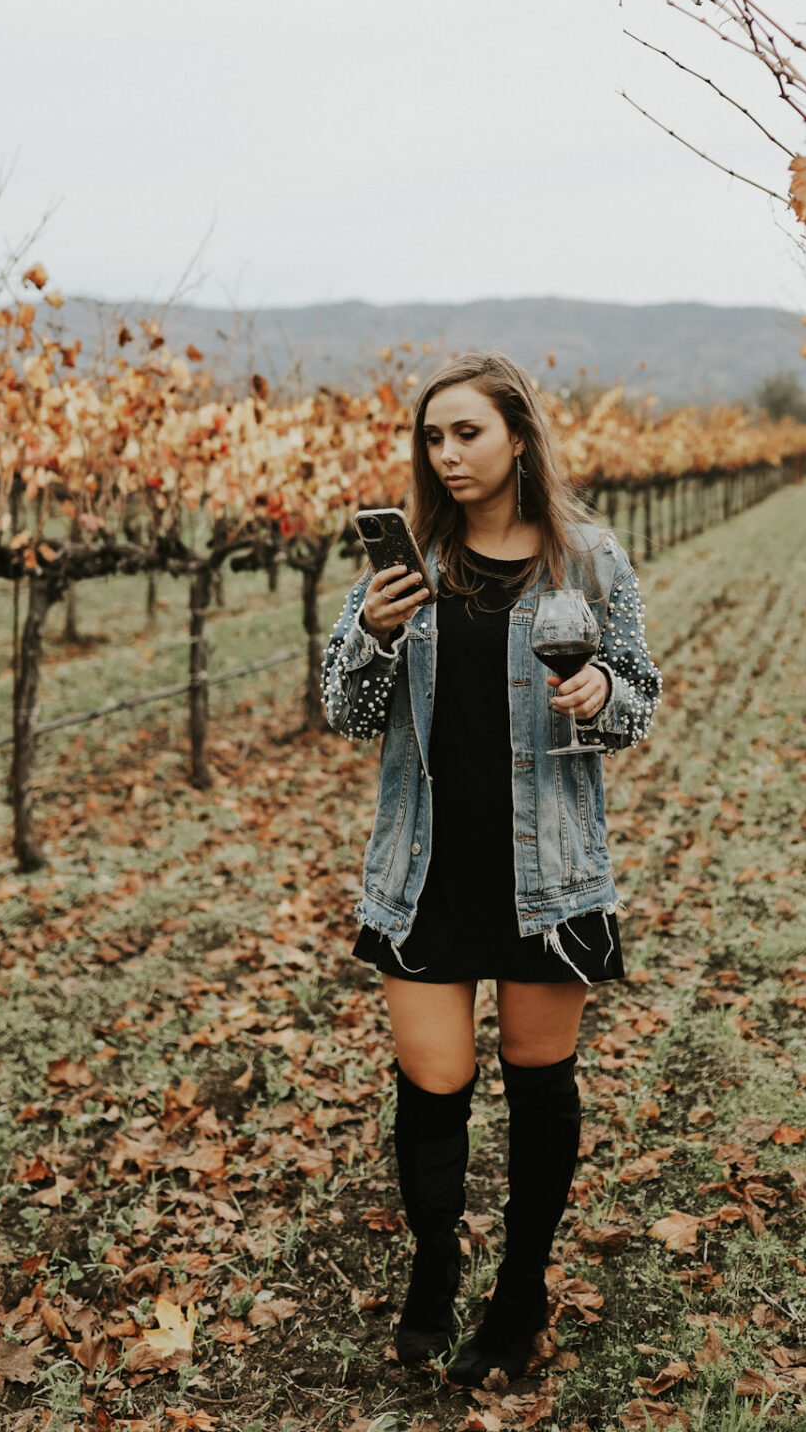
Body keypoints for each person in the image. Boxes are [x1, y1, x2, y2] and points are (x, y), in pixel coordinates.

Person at [322, 352, 662, 1387]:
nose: (446, 454)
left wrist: (601, 691)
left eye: (466, 432)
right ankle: (433, 1272)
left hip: (544, 873)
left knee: (536, 1085)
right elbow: (342, 712)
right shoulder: (405, 566)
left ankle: (518, 1292)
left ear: (518, 436)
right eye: (432, 437)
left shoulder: (588, 561)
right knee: (433, 1086)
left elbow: (639, 702)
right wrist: (374, 639)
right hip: (422, 870)